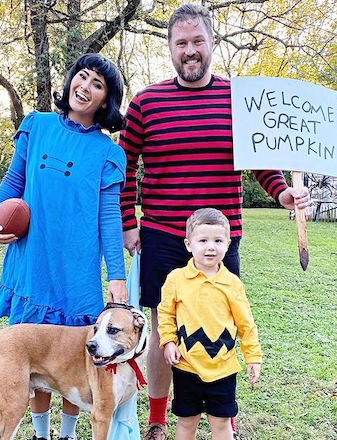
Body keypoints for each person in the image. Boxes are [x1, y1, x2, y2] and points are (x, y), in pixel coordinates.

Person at [119, 4, 310, 439]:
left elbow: (262, 162)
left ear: (212, 44)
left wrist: (283, 193)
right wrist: (129, 223)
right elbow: (125, 170)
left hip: (222, 240)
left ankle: (225, 418)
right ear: (169, 48)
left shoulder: (240, 100)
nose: (190, 51)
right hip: (165, 236)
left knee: (221, 321)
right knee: (165, 322)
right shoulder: (146, 102)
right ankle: (156, 418)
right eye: (181, 43)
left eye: (197, 41)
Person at [0, 53, 128, 440]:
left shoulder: (109, 154)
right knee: (36, 355)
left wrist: (117, 277)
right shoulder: (38, 125)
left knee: (75, 360)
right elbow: (13, 183)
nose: (86, 87)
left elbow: (109, 219)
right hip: (32, 261)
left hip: (77, 272)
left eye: (98, 85)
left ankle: (67, 433)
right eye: (82, 77)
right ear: (70, 82)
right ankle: (41, 434)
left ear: (105, 101)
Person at [158, 208, 262, 440]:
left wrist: (252, 357)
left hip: (223, 369)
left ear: (228, 244)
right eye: (203, 240)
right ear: (188, 244)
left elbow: (246, 324)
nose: (210, 247)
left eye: (218, 240)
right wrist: (168, 342)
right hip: (187, 366)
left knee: (222, 422)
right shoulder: (176, 279)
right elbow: (166, 315)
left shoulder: (232, 284)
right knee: (186, 422)